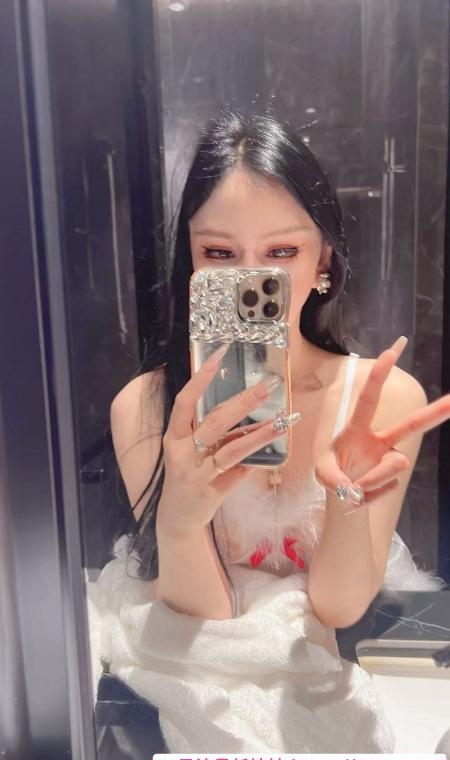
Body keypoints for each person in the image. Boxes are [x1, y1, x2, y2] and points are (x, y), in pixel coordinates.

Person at [86, 107, 450, 753]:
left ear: (324, 260)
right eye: (219, 253)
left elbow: (338, 609)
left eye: (282, 252)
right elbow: (208, 622)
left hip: (330, 671)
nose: (250, 281)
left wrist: (344, 497)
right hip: (201, 665)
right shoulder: (144, 408)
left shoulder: (382, 399)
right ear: (190, 262)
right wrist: (181, 519)